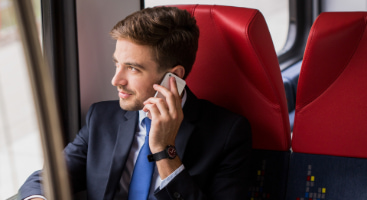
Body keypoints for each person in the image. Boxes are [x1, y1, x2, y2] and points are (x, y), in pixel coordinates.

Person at [19, 6, 252, 200]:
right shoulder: (101, 118)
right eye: (116, 64)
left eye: (132, 68)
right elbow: (44, 179)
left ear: (175, 77)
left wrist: (164, 150)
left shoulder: (227, 134)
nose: (115, 80)